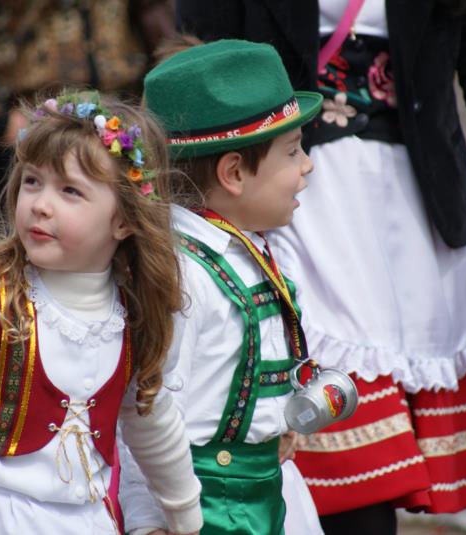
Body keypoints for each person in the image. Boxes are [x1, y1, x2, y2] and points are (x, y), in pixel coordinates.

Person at [175, 0, 466, 533]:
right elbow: (200, 57)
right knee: (340, 480)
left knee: (375, 486)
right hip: (284, 202)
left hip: (414, 211)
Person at [0, 91, 203, 535]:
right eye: (32, 181)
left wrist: (187, 520)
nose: (41, 203)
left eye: (70, 190)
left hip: (82, 522)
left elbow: (154, 429)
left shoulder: (134, 321)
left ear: (124, 221)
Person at [119, 39, 326, 535]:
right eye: (294, 150)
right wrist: (148, 521)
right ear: (233, 172)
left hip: (263, 491)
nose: (308, 164)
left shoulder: (245, 247)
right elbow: (142, 410)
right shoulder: (183, 276)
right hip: (204, 508)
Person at [0, 0, 176, 228]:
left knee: (126, 240)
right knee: (21, 248)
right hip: (29, 118)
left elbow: (155, 12)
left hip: (120, 119)